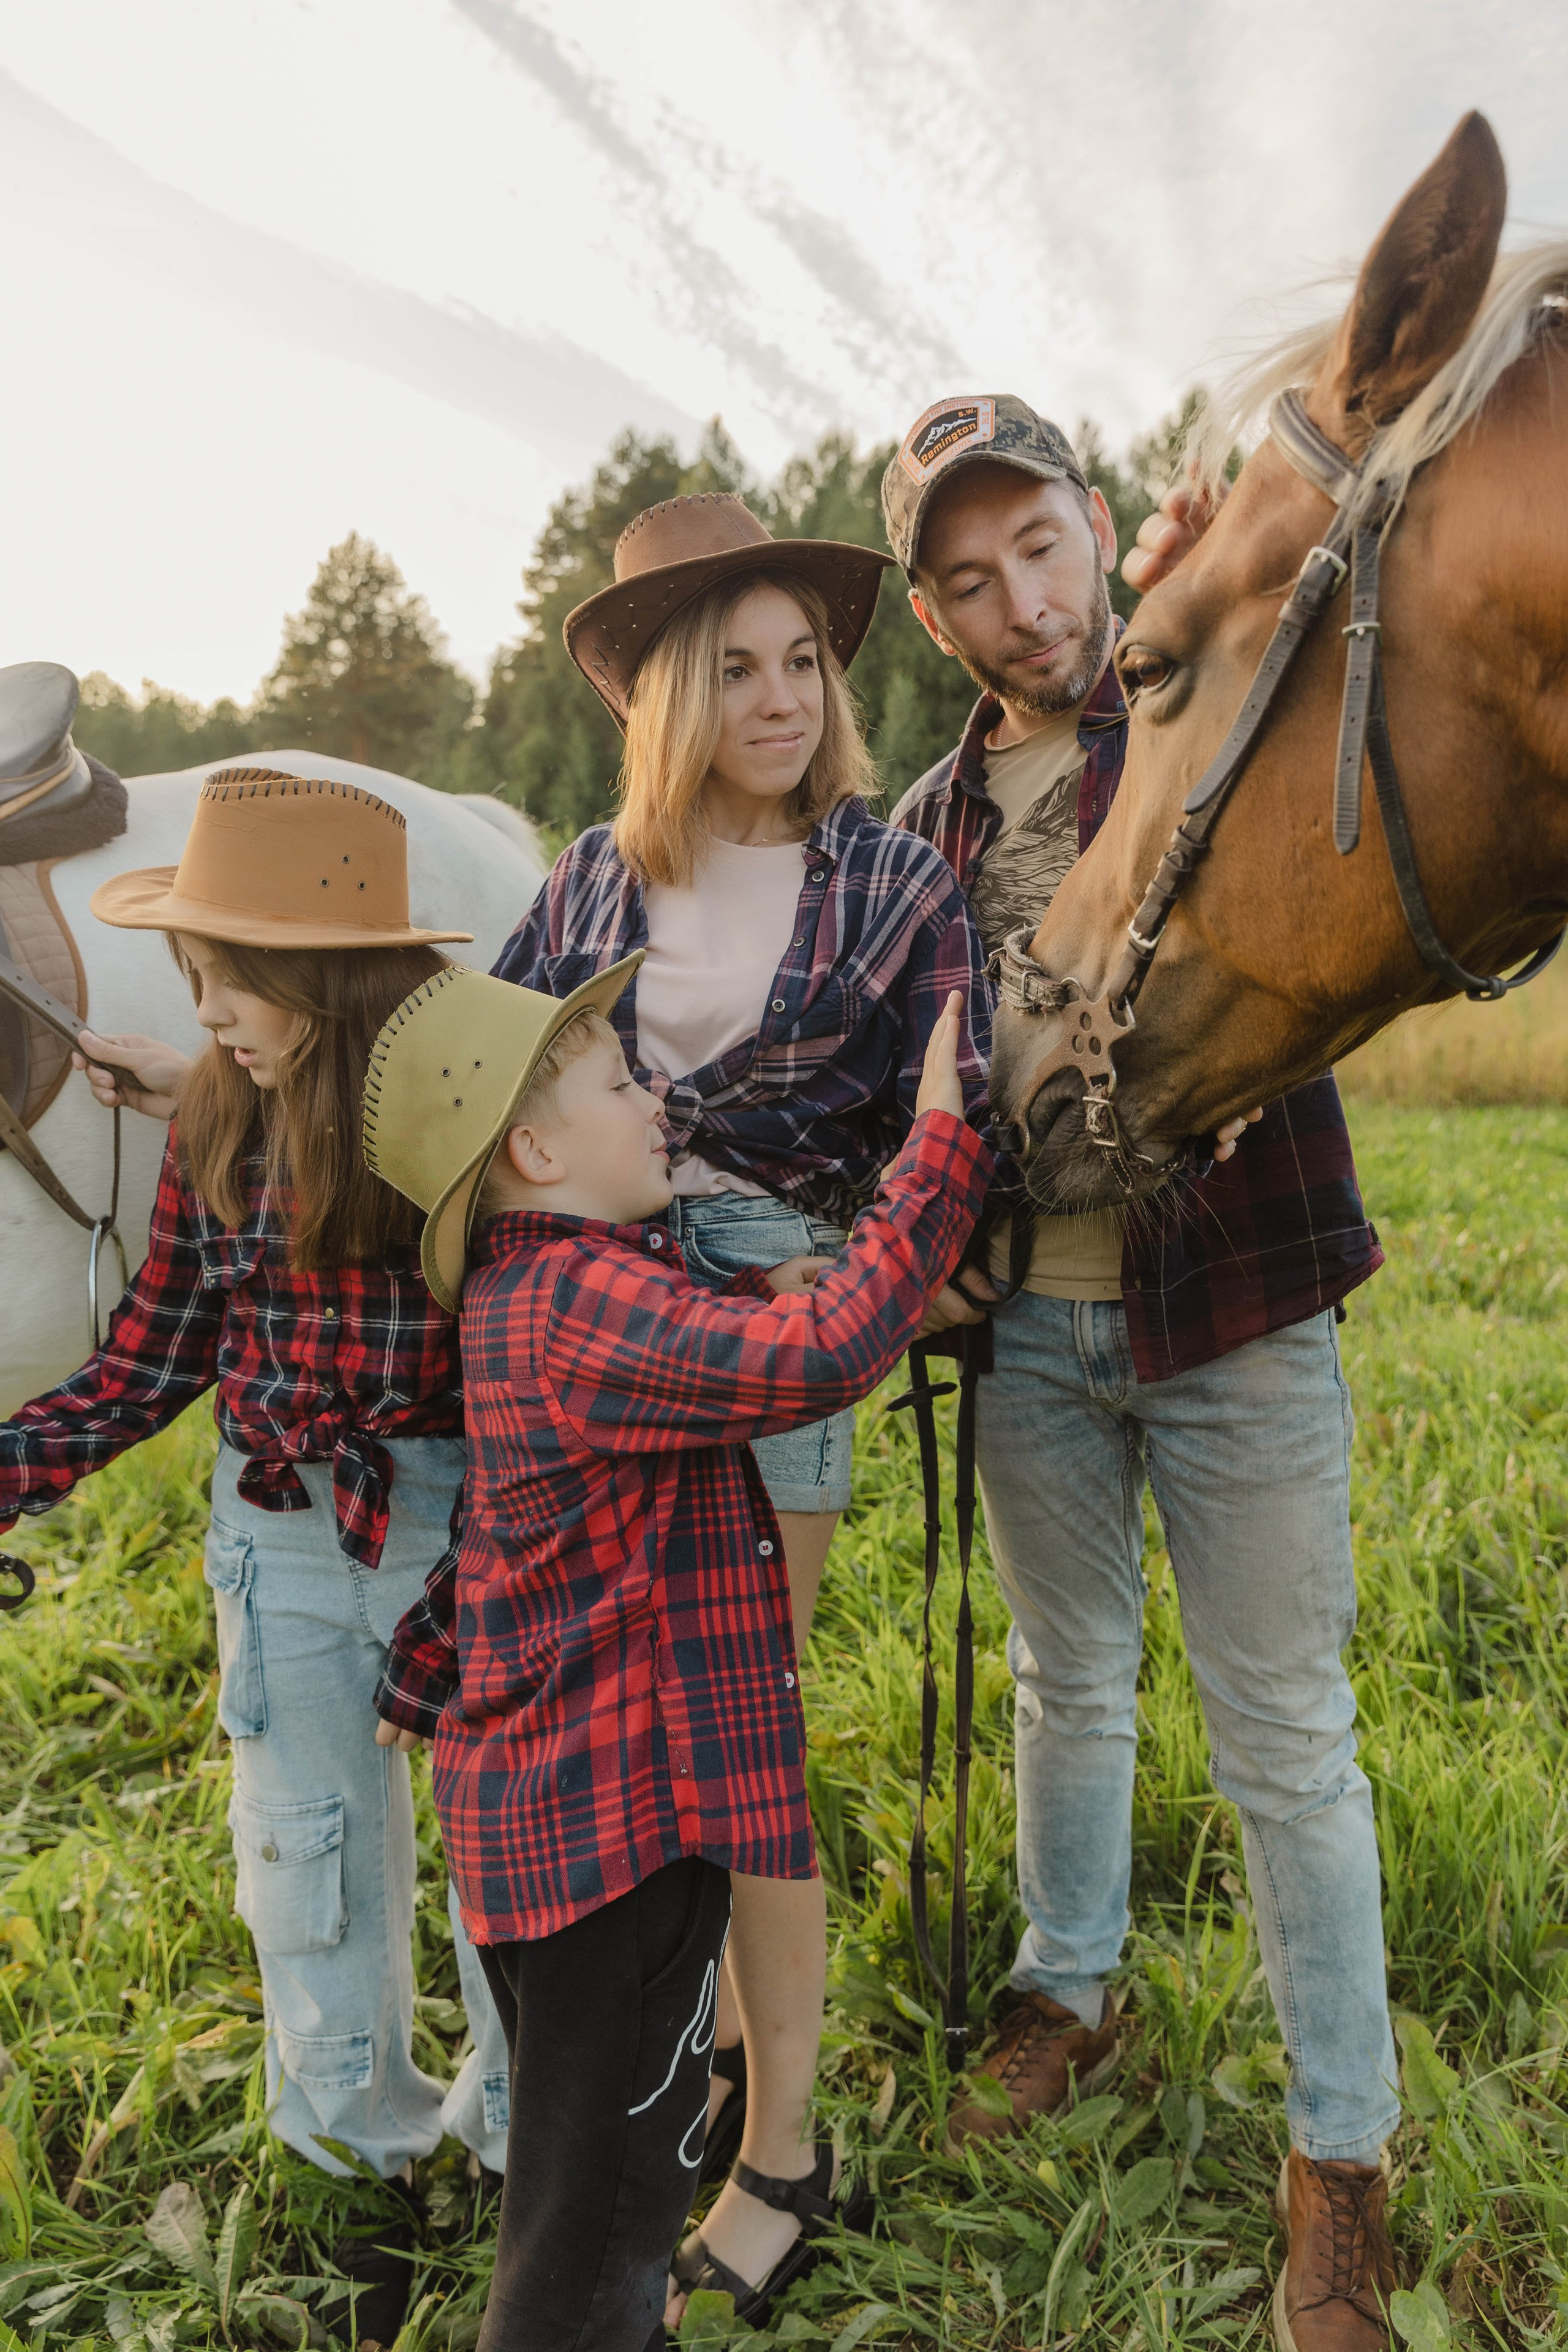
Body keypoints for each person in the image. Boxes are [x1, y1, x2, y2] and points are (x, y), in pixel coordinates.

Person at [881, 398, 1400, 2352]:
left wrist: (1220, 559)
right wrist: (920, 1248)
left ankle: (1342, 2158)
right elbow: (907, 1075)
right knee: (1062, 1681)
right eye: (972, 576)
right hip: (1035, 1327)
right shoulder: (925, 831)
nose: (1026, 601)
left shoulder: (1212, 690)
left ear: (1103, 525)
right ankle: (1071, 1991)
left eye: (1043, 544)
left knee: (1284, 1729)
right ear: (933, 617)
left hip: (1237, 1312)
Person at [492, 491, 990, 2314]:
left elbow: (965, 1093)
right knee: (626, 1739)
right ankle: (679, 2071)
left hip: (784, 1320)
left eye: (802, 662)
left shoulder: (891, 880)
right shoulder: (591, 883)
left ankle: (786, 2141)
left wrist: (889, 1251)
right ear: (666, 701)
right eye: (737, 669)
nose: (782, 699)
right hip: (603, 1335)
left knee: (737, 1748)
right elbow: (494, 1090)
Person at [366, 965, 990, 2352]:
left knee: (587, 2183)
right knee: (592, 2244)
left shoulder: (540, 1295)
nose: (658, 1099)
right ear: (534, 1154)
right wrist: (936, 1139)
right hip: (619, 1852)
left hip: (550, 1841)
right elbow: (824, 1351)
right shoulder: (581, 1307)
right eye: (616, 1083)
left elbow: (514, 1518)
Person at [0, 772, 512, 2345]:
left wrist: (461, 1606)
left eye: (229, 978)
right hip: (275, 1536)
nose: (204, 1005)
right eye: (199, 978)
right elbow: (153, 1362)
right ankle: (350, 2154)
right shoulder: (215, 1123)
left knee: (501, 1866)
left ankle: (517, 2140)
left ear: (325, 977)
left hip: (446, 1523)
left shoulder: (457, 1140)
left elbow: (515, 1393)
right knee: (303, 1861)